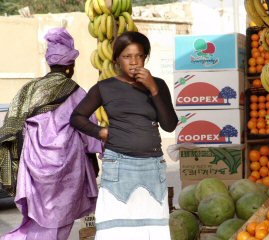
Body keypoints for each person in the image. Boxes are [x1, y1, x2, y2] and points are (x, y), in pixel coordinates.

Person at [70, 31, 178, 240]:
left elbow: (169, 125)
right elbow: (77, 117)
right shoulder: (105, 88)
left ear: (145, 57)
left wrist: (153, 89)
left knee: (154, 228)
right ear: (117, 60)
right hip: (119, 164)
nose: (134, 62)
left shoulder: (158, 85)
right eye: (127, 57)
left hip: (153, 165)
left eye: (139, 56)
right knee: (118, 230)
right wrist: (99, 131)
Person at [0, 27, 102, 240]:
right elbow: (91, 135)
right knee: (59, 222)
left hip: (34, 169)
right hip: (69, 171)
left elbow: (10, 127)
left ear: (50, 62)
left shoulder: (28, 89)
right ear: (71, 65)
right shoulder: (77, 92)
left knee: (39, 222)